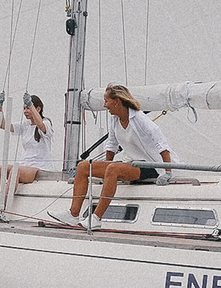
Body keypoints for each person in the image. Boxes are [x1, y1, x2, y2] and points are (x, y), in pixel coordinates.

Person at [70, 84, 171, 227]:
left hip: (152, 166)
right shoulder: (115, 119)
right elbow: (112, 144)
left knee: (113, 169)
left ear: (117, 101)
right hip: (131, 163)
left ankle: (96, 218)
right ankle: (73, 214)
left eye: (106, 101)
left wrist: (167, 172)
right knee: (83, 166)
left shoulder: (140, 119)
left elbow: (162, 145)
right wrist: (105, 169)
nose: (105, 105)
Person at [0, 94, 58, 208]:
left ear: (38, 109)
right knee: (1, 169)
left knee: (15, 170)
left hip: (40, 167)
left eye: (28, 108)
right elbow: (4, 125)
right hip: (25, 165)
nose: (25, 111)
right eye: (24, 108)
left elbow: (41, 125)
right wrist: (0, 107)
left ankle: (1, 207)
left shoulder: (46, 123)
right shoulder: (25, 125)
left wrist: (30, 104)